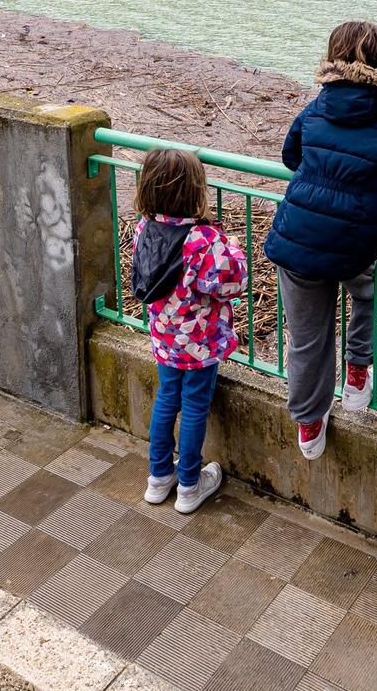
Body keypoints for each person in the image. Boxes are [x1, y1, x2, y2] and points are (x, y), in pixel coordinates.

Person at [262, 21, 377, 459]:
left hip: (297, 235)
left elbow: (290, 155)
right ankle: (357, 379)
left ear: (337, 58)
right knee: (367, 291)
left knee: (307, 337)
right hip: (354, 236)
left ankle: (310, 427)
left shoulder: (320, 102)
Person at [136, 147, 249, 514]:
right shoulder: (201, 240)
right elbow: (233, 282)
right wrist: (234, 249)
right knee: (195, 405)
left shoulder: (145, 228)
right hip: (199, 344)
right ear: (195, 191)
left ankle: (158, 478)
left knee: (167, 399)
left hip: (165, 338)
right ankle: (188, 484)